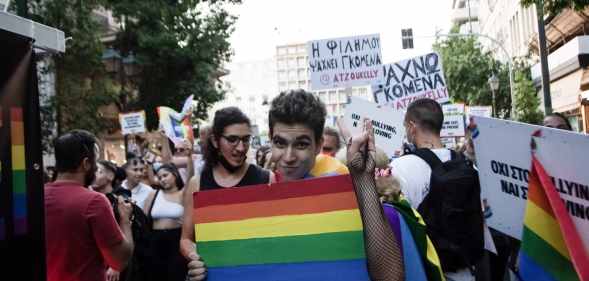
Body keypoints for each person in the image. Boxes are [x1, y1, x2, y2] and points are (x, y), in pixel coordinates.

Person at [389, 99, 483, 281]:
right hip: (465, 272)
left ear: (411, 126)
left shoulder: (399, 168)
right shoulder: (469, 168)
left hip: (424, 272)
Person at [180, 107, 274, 280]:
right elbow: (186, 239)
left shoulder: (267, 179)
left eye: (246, 140)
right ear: (215, 141)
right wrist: (195, 258)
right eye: (232, 140)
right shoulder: (197, 183)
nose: (240, 148)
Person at [45, 130, 134, 281]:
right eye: (95, 161)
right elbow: (119, 260)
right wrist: (125, 220)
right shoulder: (94, 202)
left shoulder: (35, 196)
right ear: (86, 164)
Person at [267, 89, 348, 182]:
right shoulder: (260, 182)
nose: (288, 158)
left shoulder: (340, 181)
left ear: (318, 145)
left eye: (301, 145)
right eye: (280, 143)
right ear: (270, 139)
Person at [143, 164, 187, 281]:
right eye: (160, 177)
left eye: (165, 175)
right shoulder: (154, 194)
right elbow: (144, 217)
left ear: (175, 174)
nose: (162, 179)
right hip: (155, 239)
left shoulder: (183, 194)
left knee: (177, 274)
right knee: (156, 274)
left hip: (176, 239)